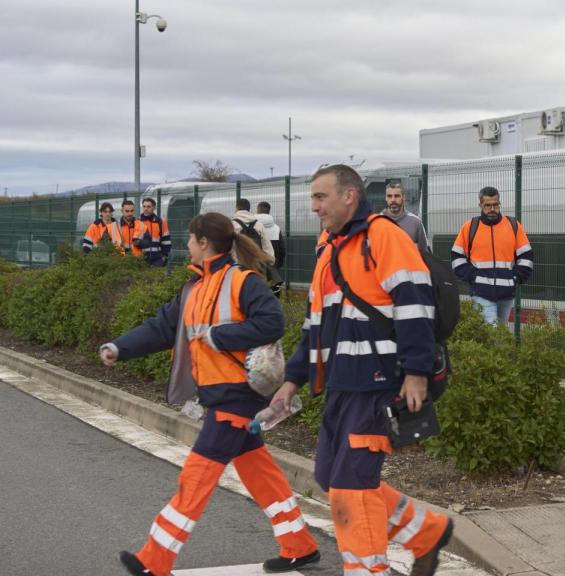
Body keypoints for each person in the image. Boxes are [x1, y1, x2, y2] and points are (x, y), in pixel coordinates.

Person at [99, 212, 320, 575]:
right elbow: (162, 327)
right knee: (260, 475)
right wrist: (119, 348)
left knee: (196, 478)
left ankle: (154, 560)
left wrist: (219, 337)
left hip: (235, 398)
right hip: (223, 398)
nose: (186, 246)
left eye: (189, 240)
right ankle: (300, 546)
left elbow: (272, 322)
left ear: (203, 243)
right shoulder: (195, 288)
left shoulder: (242, 282)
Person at [272, 164, 453, 576]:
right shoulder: (329, 251)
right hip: (342, 385)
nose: (314, 206)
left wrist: (416, 372)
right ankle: (427, 532)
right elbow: (313, 328)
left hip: (377, 383)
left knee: (352, 488)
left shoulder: (383, 237)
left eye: (321, 197)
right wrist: (291, 380)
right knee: (331, 479)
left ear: (349, 195)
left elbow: (415, 307)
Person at [450, 187, 533, 327]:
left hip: (506, 294)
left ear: (499, 204)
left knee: (500, 335)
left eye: (495, 204)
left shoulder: (513, 226)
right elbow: (457, 257)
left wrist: (515, 278)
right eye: (487, 205)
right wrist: (473, 277)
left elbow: (526, 256)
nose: (492, 209)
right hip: (481, 293)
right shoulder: (469, 227)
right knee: (492, 331)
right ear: (480, 205)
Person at [382, 180, 429, 252]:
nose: (393, 200)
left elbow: (424, 253)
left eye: (397, 196)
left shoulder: (415, 222)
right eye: (389, 196)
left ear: (403, 197)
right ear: (385, 198)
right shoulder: (377, 221)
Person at [255, 201, 285, 296]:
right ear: (269, 211)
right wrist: (278, 264)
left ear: (257, 210)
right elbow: (282, 249)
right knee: (275, 292)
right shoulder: (276, 228)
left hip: (257, 265)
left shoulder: (252, 226)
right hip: (273, 264)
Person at [135, 196, 172, 266]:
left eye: (148, 207)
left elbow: (166, 241)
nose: (145, 209)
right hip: (141, 260)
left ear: (154, 208)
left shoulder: (161, 222)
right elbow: (134, 242)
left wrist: (164, 257)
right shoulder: (138, 222)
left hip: (158, 260)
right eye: (144, 206)